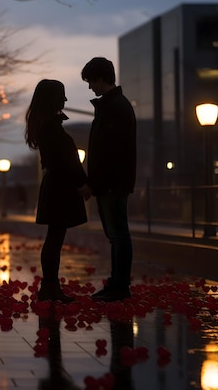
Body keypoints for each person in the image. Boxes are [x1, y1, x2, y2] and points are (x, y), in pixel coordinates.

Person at [25, 79, 91, 303]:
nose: (65, 100)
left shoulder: (46, 124)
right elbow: (67, 161)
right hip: (60, 187)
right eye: (61, 95)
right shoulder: (51, 125)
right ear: (52, 98)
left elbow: (66, 160)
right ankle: (50, 288)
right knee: (55, 238)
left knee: (54, 238)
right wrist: (83, 182)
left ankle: (50, 287)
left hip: (57, 186)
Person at [81, 57, 137, 302]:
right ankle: (117, 283)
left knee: (118, 235)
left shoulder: (114, 108)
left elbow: (109, 152)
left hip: (112, 183)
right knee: (117, 235)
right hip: (112, 182)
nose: (90, 87)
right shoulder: (115, 106)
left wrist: (94, 183)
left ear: (100, 79)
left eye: (91, 82)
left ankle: (119, 285)